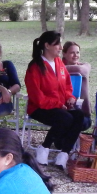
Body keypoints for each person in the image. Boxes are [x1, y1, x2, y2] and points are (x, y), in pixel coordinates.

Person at [24, 31, 84, 168]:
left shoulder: (58, 62)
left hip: (59, 107)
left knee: (79, 115)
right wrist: (57, 104)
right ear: (47, 46)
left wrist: (69, 97)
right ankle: (44, 147)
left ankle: (64, 154)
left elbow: (67, 84)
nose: (61, 47)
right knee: (65, 118)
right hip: (39, 108)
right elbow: (37, 97)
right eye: (57, 44)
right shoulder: (35, 67)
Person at [0, 37, 21, 127]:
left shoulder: (7, 65)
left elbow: (17, 85)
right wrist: (3, 89)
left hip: (4, 104)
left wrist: (8, 92)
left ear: (0, 50)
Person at [62, 41, 92, 131]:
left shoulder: (84, 66)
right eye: (72, 52)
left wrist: (61, 68)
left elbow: (81, 70)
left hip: (81, 110)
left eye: (77, 52)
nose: (75, 55)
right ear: (64, 54)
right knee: (67, 120)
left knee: (83, 122)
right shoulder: (57, 66)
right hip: (62, 109)